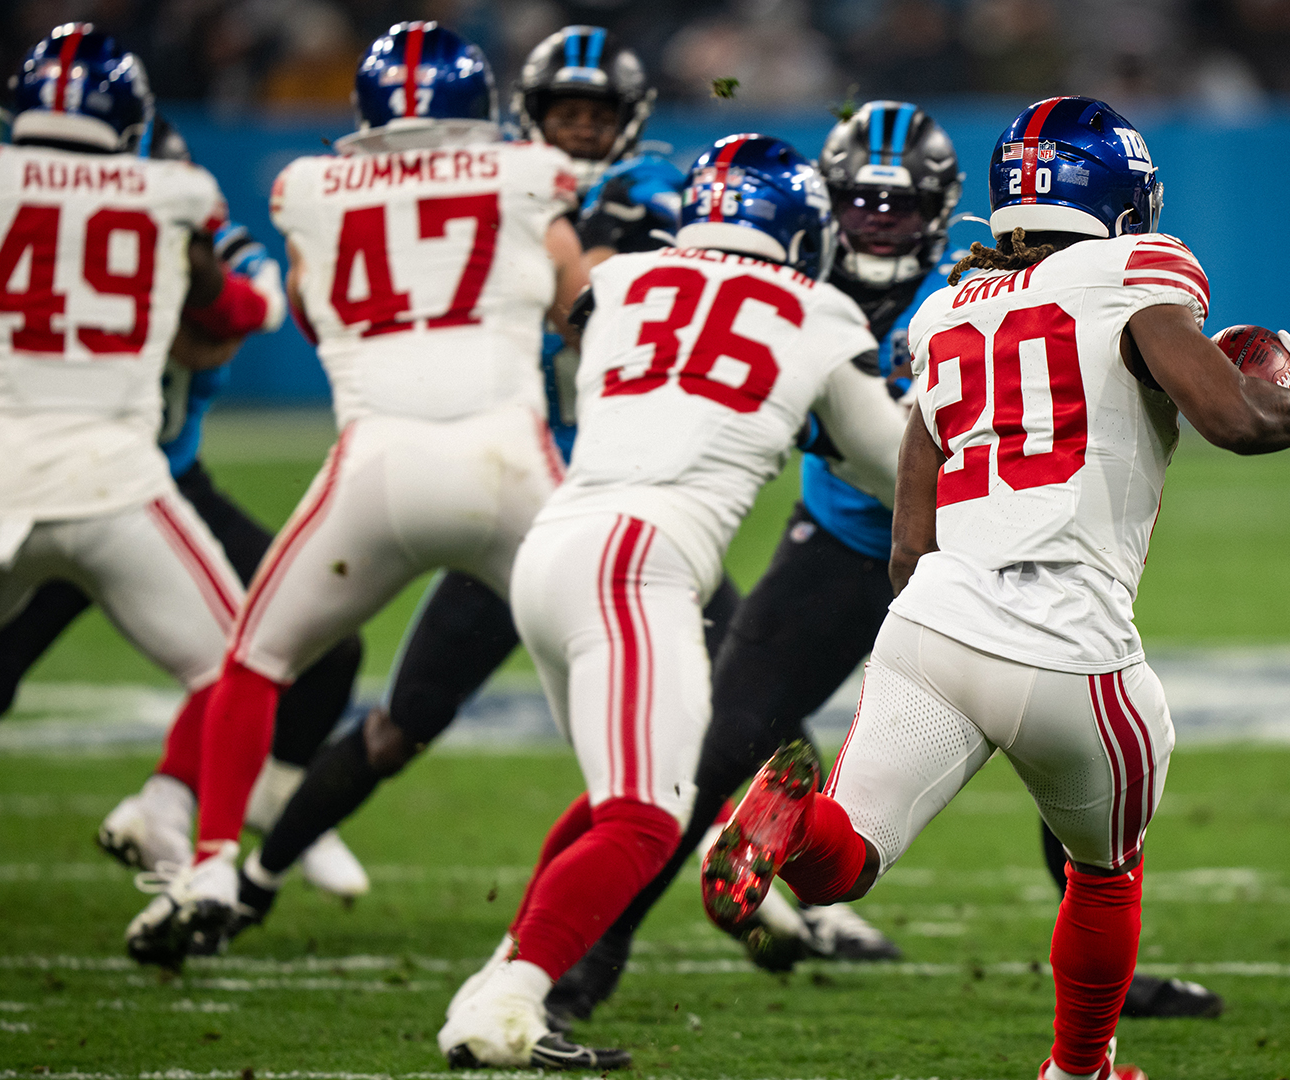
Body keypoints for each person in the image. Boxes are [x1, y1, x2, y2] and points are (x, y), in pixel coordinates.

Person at [700, 97, 1290, 1080]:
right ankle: (1078, 1069)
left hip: (931, 621)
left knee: (846, 860)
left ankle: (785, 824)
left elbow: (907, 540)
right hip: (1070, 643)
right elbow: (1230, 419)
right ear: (1122, 199)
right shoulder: (1139, 271)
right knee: (1105, 873)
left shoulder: (944, 310)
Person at [0, 114, 371, 935]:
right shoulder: (96, 214)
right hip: (112, 489)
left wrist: (189, 287)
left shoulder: (110, 214)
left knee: (322, 646)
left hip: (160, 479)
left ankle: (260, 800)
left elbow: (253, 305)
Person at [232, 25, 740, 932]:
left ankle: (765, 885)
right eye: (564, 114)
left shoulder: (659, 203)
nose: (580, 132)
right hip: (516, 491)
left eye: (596, 116)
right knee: (402, 723)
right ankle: (253, 879)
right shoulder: (498, 194)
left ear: (629, 122)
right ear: (524, 119)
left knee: (734, 683)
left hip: (629, 499)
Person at [122, 20, 589, 969]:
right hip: (509, 458)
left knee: (256, 659)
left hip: (376, 465)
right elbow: (572, 297)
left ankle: (213, 863)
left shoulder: (309, 189)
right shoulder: (524, 171)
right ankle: (675, 844)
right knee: (609, 661)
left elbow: (308, 302)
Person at [438, 134, 908, 1070]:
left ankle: (502, 978)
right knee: (650, 819)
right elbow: (890, 464)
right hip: (639, 561)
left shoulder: (622, 281)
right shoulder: (819, 310)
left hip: (555, 542)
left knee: (620, 800)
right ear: (799, 228)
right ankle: (505, 1009)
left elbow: (584, 324)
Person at [542, 98, 961, 1025]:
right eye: (858, 204)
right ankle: (589, 956)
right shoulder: (789, 286)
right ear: (823, 206)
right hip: (850, 545)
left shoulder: (969, 292)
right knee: (721, 739)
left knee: (1064, 740)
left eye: (896, 208)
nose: (876, 223)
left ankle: (1108, 971)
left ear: (937, 210)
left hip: (975, 552)